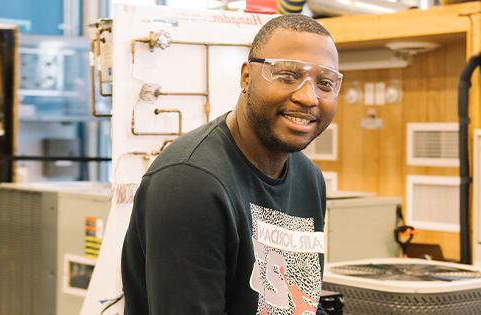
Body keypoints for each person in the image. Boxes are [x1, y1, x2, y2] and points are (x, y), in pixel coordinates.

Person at [121, 14, 341, 315]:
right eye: (287, 76)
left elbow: (297, 304)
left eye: (325, 83)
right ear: (246, 77)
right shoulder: (190, 182)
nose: (308, 96)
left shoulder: (308, 178)